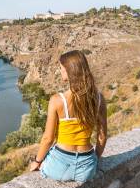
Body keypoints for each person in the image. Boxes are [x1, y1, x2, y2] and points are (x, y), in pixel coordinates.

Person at [29, 50, 107, 183]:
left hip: (60, 165)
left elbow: (48, 139)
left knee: (45, 159)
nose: (60, 71)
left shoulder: (57, 100)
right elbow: (102, 136)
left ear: (69, 71)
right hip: (87, 167)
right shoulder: (99, 99)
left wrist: (37, 161)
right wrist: (97, 158)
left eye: (61, 68)